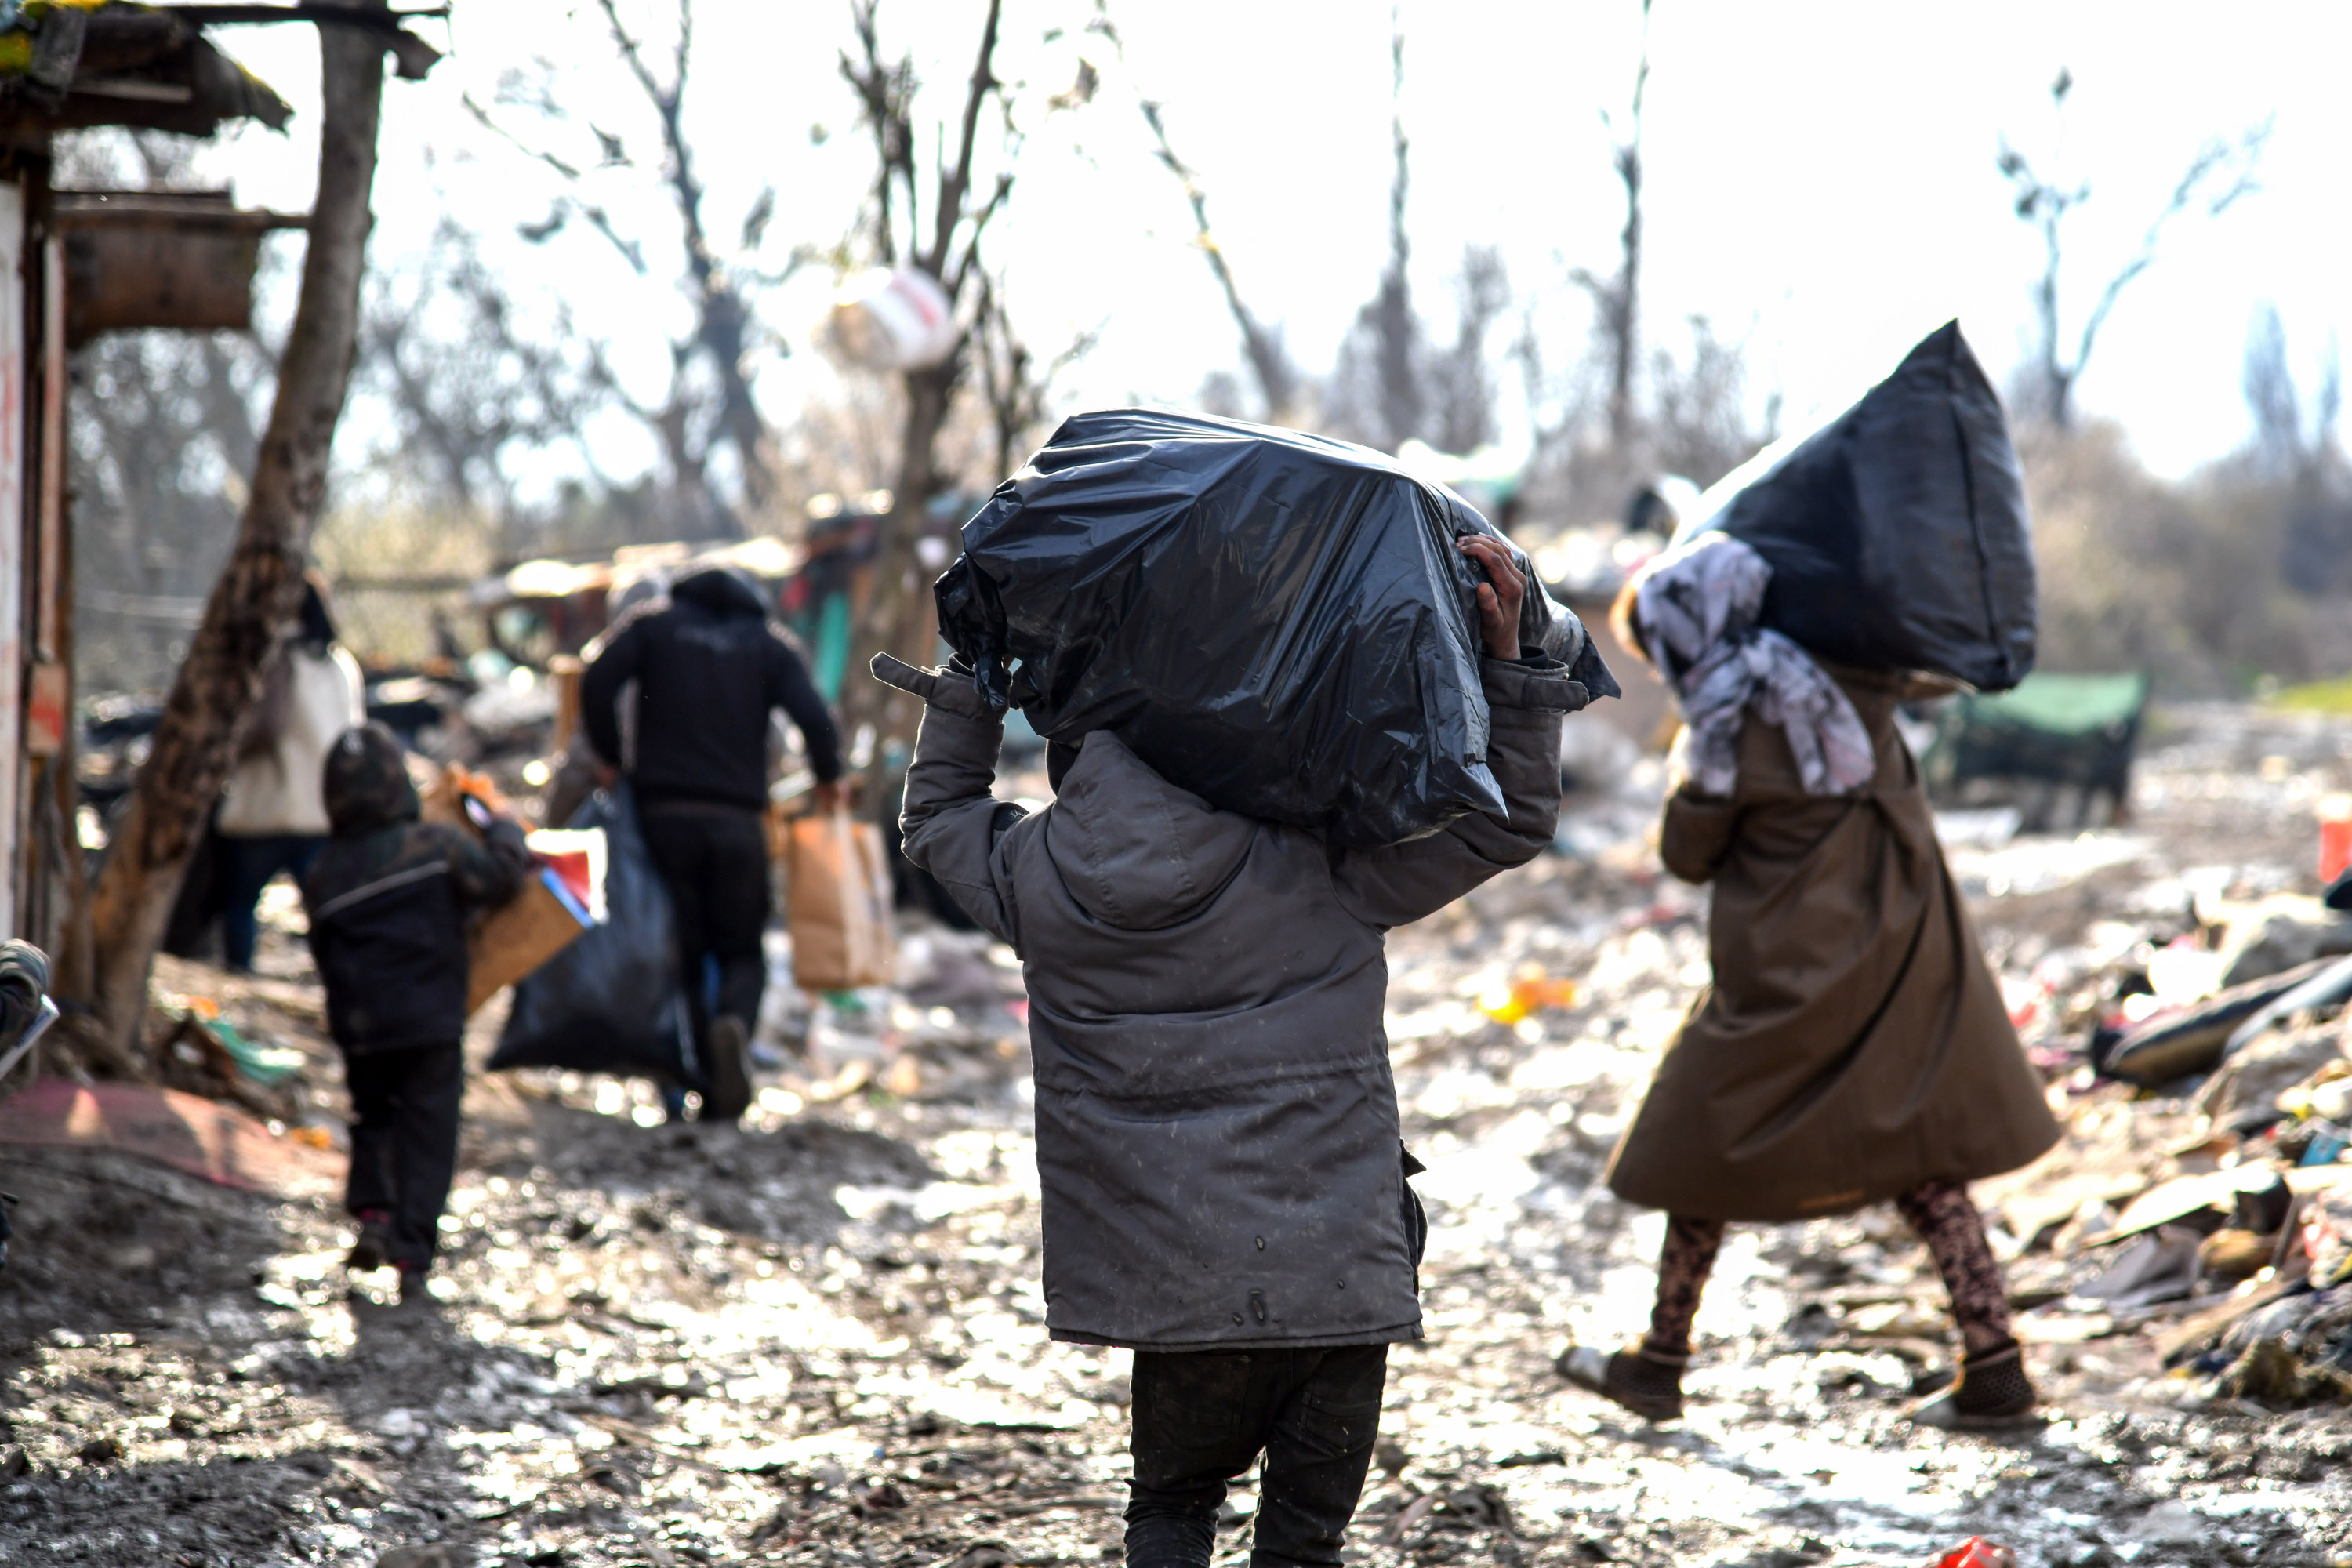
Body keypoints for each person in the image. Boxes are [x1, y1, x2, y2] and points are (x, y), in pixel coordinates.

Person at [873, 537, 1584, 1568]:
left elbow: (936, 816)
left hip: (1175, 1287)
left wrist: (972, 680)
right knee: (1302, 1549)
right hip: (1337, 1278)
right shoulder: (1319, 857)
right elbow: (1511, 822)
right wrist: (1515, 670)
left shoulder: (1039, 879)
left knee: (1170, 1506)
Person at [1556, 534, 2061, 1429]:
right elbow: (1938, 668)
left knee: (1697, 1143)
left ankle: (1661, 1360)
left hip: (1784, 977)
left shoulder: (1721, 728)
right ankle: (1995, 1364)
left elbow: (1685, 855)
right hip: (1901, 956)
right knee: (1925, 1161)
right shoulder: (1855, 681)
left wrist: (1699, 777)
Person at [579, 564, 843, 1123]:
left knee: (688, 952)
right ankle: (735, 1030)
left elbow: (596, 678)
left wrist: (608, 757)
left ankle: (701, 1073)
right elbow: (815, 716)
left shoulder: (652, 626)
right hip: (738, 820)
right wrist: (829, 777)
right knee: (743, 950)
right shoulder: (767, 643)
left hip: (663, 816)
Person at [302, 723, 530, 1304]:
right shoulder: (435, 846)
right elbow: (500, 881)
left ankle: (375, 1216)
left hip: (360, 1026)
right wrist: (504, 827)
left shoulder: (322, 873)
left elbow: (324, 954)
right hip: (429, 1019)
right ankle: (411, 1254)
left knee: (374, 1114)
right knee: (429, 1130)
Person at [216, 573, 365, 971]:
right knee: (325, 908)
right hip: (321, 811)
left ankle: (239, 977)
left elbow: (267, 727)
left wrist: (224, 748)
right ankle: (338, 979)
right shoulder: (341, 665)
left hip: (268, 811)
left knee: (240, 903)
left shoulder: (279, 661)